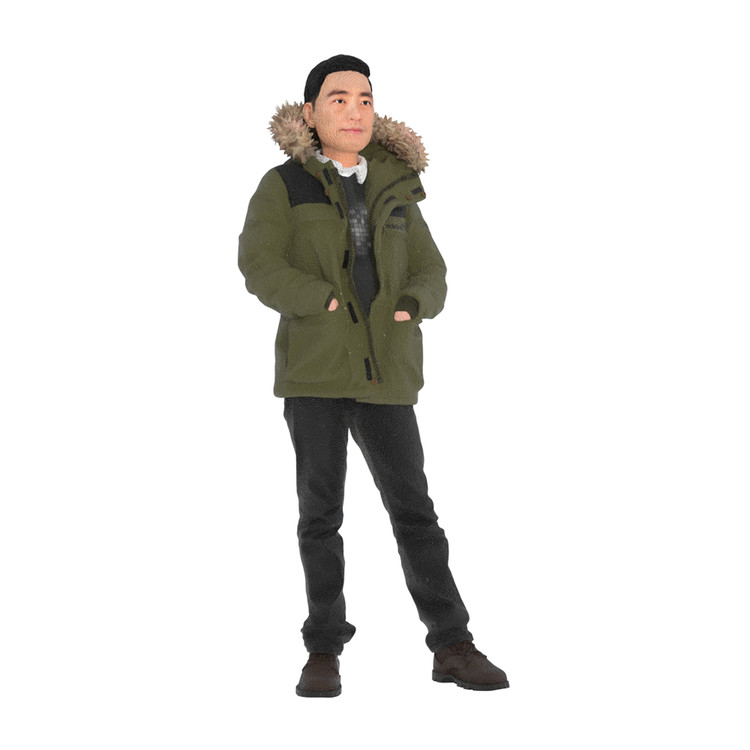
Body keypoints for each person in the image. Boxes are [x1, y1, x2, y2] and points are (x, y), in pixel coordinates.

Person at [238, 54, 509, 697]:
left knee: (415, 513)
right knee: (320, 517)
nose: (355, 110)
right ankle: (323, 649)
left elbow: (432, 269)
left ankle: (452, 644)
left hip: (387, 372)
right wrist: (321, 301)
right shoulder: (284, 184)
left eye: (365, 98)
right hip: (315, 374)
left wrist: (414, 303)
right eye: (338, 99)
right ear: (311, 113)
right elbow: (258, 263)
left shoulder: (396, 185)